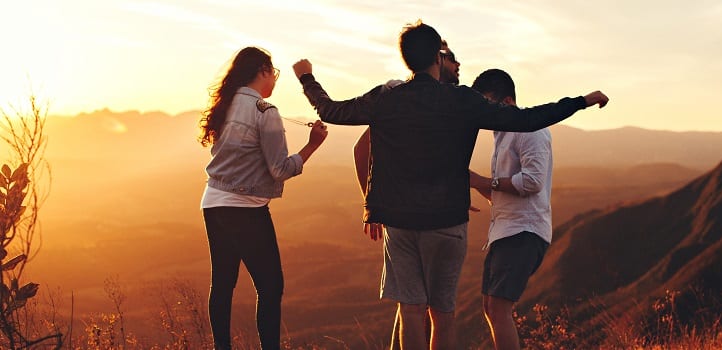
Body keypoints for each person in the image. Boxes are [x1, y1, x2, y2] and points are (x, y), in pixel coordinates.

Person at [293, 20, 608, 349]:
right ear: (438, 58)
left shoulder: (386, 99)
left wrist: (306, 77)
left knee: (411, 309)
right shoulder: (462, 101)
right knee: (442, 314)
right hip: (447, 220)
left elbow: (330, 110)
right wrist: (580, 101)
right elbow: (526, 119)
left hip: (398, 221)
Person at [198, 46, 328, 350]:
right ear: (263, 72)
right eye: (274, 73)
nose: (275, 80)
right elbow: (280, 169)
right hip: (246, 209)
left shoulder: (226, 105)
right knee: (270, 287)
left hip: (212, 202)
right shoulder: (265, 113)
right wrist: (312, 146)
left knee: (223, 284)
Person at [352, 39, 461, 350]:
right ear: (437, 60)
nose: (457, 66)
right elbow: (362, 148)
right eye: (452, 59)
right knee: (420, 307)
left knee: (413, 305)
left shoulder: (442, 101)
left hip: (421, 215)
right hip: (410, 218)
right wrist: (372, 204)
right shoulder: (400, 95)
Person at [468, 68, 553, 350]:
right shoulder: (502, 135)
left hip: (524, 231)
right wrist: (471, 181)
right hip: (506, 231)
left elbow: (532, 182)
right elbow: (501, 195)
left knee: (499, 306)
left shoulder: (531, 129)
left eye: (487, 105)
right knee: (491, 307)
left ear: (505, 102)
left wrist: (480, 180)